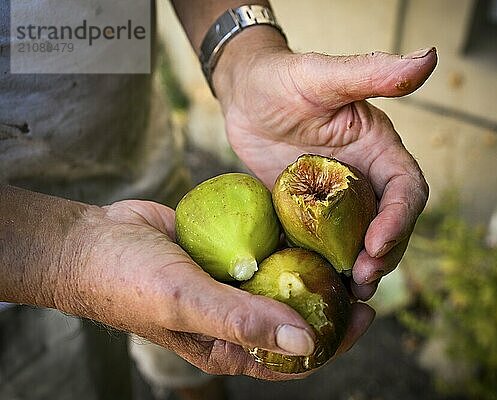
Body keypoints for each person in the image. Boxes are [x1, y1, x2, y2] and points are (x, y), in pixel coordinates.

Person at [0, 0, 437, 398]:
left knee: (195, 350)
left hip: (135, 152)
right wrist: (65, 256)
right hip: (11, 269)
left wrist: (241, 53)